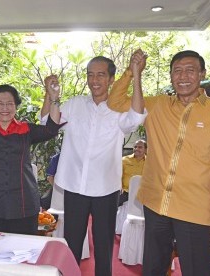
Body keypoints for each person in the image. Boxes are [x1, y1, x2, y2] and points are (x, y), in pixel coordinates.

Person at [108, 50, 210, 275]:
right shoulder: (157, 106)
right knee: (153, 269)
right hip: (156, 206)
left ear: (202, 74)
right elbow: (116, 103)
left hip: (195, 210)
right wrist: (132, 72)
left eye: (190, 70)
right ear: (171, 76)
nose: (183, 77)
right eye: (177, 71)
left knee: (196, 270)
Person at [40, 53, 146, 275]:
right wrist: (50, 96)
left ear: (110, 79)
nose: (94, 80)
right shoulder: (76, 104)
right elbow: (47, 122)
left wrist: (136, 74)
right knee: (72, 242)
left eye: (100, 75)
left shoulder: (119, 107)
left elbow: (136, 116)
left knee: (104, 244)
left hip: (105, 188)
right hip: (75, 186)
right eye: (90, 75)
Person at [0, 83, 62, 235]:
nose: (5, 108)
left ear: (16, 106)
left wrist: (54, 98)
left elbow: (51, 130)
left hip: (24, 201)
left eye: (9, 104)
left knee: (24, 250)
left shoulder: (26, 129)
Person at [119, 139, 147, 206]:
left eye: (140, 147)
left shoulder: (149, 162)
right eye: (135, 147)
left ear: (145, 150)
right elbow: (118, 176)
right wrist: (120, 187)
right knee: (112, 208)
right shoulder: (124, 160)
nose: (137, 149)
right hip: (125, 192)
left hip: (142, 194)